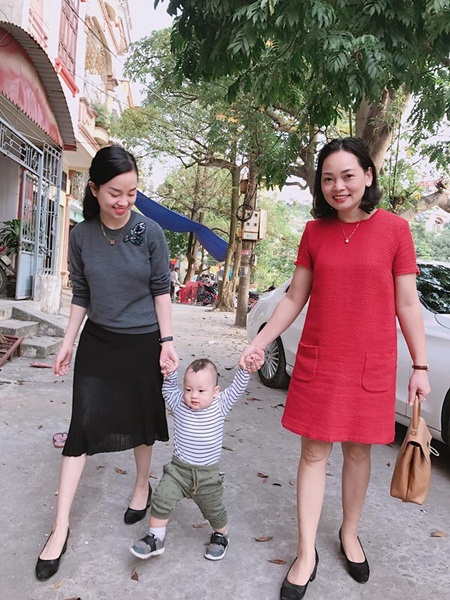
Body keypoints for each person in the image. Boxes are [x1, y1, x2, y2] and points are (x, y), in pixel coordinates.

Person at [240, 137, 430, 600]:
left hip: (371, 362)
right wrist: (261, 341)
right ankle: (306, 553)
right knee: (312, 455)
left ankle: (349, 532)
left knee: (359, 453)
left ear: (368, 175)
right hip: (321, 360)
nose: (338, 186)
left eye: (347, 175)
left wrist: (420, 364)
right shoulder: (314, 232)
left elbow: (408, 303)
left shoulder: (395, 230)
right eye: (328, 178)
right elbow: (294, 297)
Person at [35, 145, 178, 581]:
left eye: (132, 193)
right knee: (81, 427)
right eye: (115, 193)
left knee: (142, 419)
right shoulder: (81, 236)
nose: (124, 202)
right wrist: (67, 343)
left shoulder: (149, 231)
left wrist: (167, 342)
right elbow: (82, 294)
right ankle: (59, 528)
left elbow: (161, 289)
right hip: (98, 342)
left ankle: (141, 485)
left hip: (143, 342)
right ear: (94, 189)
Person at [129, 357, 251, 562]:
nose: (194, 395)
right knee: (161, 498)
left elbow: (237, 388)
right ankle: (155, 537)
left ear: (215, 391)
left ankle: (221, 535)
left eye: (201, 391)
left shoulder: (220, 404)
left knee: (214, 511)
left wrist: (245, 369)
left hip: (207, 476)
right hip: (178, 472)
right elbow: (168, 390)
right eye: (188, 389)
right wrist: (170, 374)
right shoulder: (179, 403)